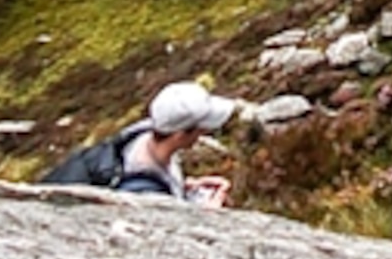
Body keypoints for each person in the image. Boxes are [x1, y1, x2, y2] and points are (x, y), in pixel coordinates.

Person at [38, 79, 245, 203]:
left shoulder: (140, 137)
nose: (205, 131)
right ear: (180, 135)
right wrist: (208, 215)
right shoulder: (139, 191)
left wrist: (187, 187)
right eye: (201, 126)